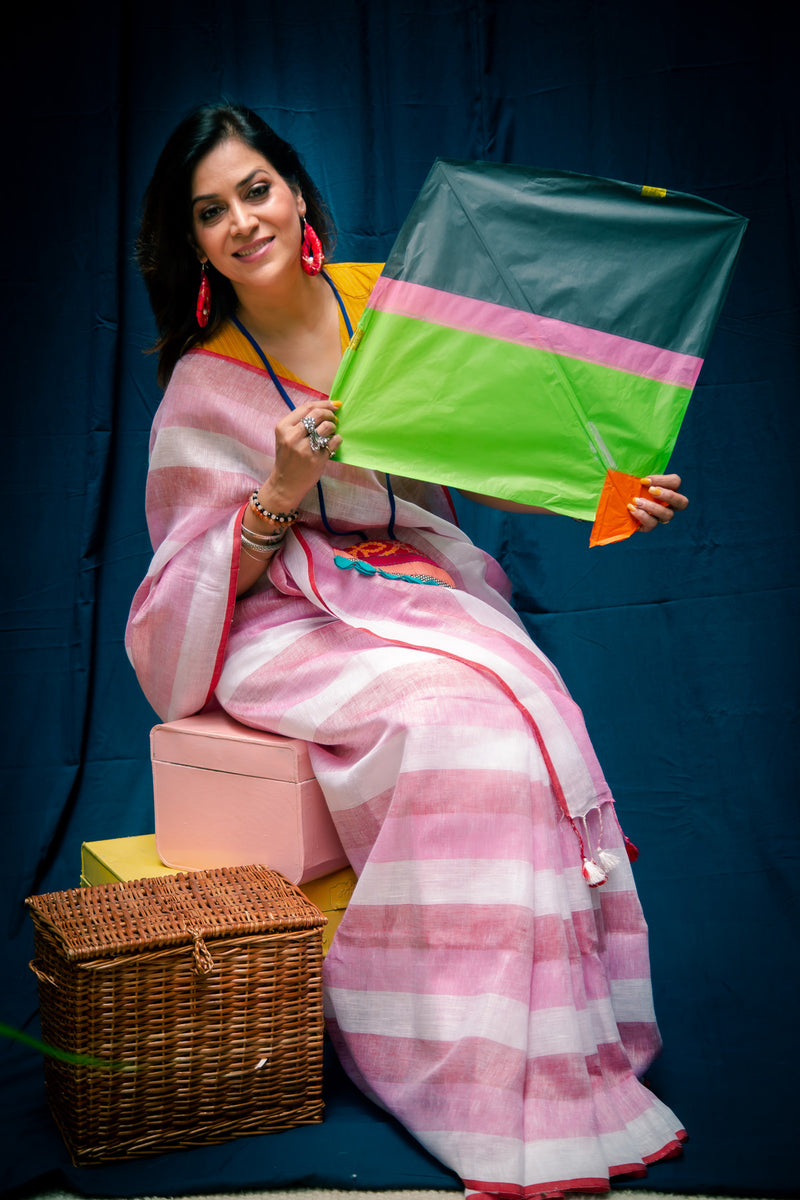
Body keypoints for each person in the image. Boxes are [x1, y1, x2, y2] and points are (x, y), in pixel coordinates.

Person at [127, 102, 689, 1199]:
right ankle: (444, 1060)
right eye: (210, 211)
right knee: (453, 727)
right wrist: (277, 497)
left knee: (525, 717)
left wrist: (605, 494)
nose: (243, 220)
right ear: (192, 243)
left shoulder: (382, 306)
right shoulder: (203, 382)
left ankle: (559, 1047)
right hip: (283, 615)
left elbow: (479, 453)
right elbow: (186, 590)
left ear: (295, 195)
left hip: (409, 581)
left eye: (255, 190)